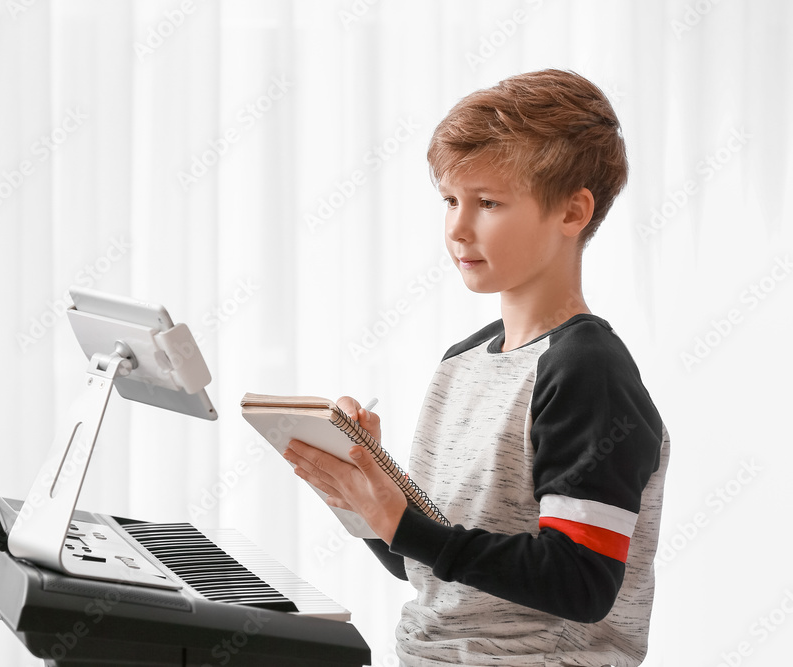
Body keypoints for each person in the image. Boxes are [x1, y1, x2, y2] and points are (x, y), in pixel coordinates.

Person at [283, 69, 670, 666]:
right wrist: (361, 493)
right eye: (450, 201)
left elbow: (581, 582)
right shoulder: (461, 362)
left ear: (572, 212)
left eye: (488, 203)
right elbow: (428, 564)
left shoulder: (587, 371)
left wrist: (403, 522)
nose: (458, 229)